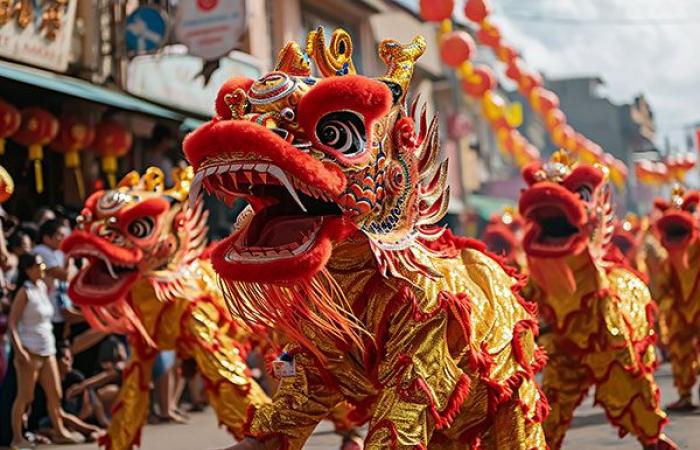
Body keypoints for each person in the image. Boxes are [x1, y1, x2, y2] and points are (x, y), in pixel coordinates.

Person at [8, 253, 83, 448]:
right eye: (38, 265)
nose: (42, 268)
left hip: (47, 348)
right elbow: (12, 323)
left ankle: (59, 431)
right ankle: (17, 437)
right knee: (26, 396)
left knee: (55, 394)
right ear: (28, 269)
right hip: (30, 349)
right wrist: (19, 350)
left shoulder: (42, 287)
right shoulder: (24, 292)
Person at [33, 219, 78, 342]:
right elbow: (64, 275)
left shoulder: (58, 252)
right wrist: (70, 258)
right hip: (46, 314)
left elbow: (73, 276)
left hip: (59, 312)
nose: (62, 238)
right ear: (46, 238)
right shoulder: (41, 251)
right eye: (58, 235)